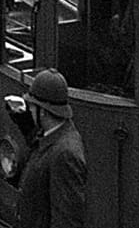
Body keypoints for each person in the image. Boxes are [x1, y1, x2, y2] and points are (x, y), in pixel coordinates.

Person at [17, 69, 88, 228]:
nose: (29, 111)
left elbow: (67, 220)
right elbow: (40, 151)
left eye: (32, 107)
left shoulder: (65, 154)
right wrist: (24, 124)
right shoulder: (54, 134)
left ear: (42, 112)